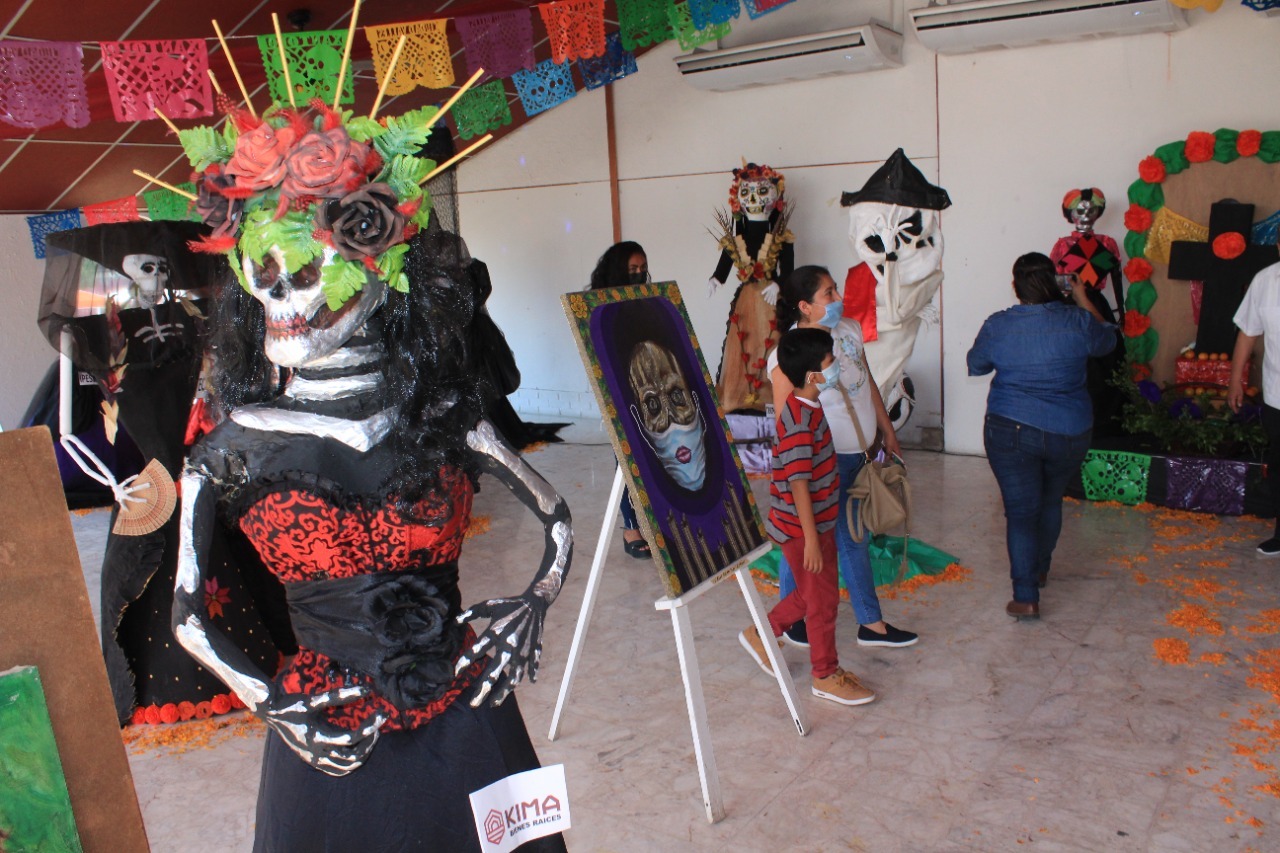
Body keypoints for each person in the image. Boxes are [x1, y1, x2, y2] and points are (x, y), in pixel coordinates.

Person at [171, 98, 569, 851]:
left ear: (384, 271)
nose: (282, 297)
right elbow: (187, 616)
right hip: (327, 729)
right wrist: (269, 701)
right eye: (263, 274)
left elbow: (555, 516)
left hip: (463, 709)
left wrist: (533, 602)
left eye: (305, 271)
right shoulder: (230, 448)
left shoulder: (445, 416)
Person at [766, 266, 918, 649]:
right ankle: (811, 621)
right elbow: (788, 422)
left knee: (849, 537)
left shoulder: (848, 330)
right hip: (823, 463)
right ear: (805, 306)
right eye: (829, 294)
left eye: (836, 289)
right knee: (815, 542)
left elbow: (867, 384)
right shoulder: (789, 352)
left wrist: (886, 429)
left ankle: (861, 622)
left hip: (858, 454)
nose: (839, 299)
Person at [967, 252, 1117, 620]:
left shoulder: (999, 325)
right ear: (1055, 283)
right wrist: (1082, 298)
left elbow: (976, 364)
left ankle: (1026, 595)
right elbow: (1108, 341)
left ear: (1015, 286)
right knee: (1050, 501)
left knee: (1021, 512)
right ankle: (1040, 569)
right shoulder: (1078, 321)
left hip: (1011, 429)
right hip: (1070, 431)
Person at [740, 327, 875, 706]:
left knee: (814, 593)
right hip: (803, 531)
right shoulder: (799, 421)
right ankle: (825, 674)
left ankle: (762, 632)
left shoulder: (811, 409)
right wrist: (812, 540)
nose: (836, 366)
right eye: (831, 361)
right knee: (823, 603)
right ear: (814, 376)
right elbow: (798, 483)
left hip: (816, 524)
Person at [589, 240, 652, 559]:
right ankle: (631, 528)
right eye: (632, 269)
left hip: (648, 388)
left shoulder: (646, 299)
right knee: (626, 461)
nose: (639, 274)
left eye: (643, 269)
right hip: (618, 391)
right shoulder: (597, 307)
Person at [1228, 257, 1280, 555]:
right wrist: (1236, 379)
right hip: (1277, 393)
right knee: (1279, 465)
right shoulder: (1265, 280)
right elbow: (1248, 332)